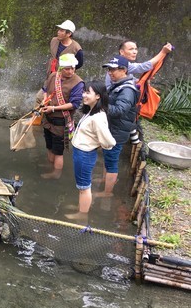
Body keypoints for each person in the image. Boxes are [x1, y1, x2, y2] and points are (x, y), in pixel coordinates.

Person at [65, 81, 116, 220]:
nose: (84, 95)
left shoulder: (98, 118)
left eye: (88, 92)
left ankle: (82, 215)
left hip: (85, 154)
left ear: (98, 96)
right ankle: (81, 207)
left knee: (84, 187)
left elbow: (109, 142)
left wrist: (96, 145)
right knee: (82, 185)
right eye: (84, 92)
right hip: (81, 153)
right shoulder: (91, 111)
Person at [104, 41, 172, 144]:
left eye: (136, 49)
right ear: (121, 52)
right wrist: (163, 52)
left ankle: (134, 140)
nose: (135, 52)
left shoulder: (124, 66)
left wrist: (142, 81)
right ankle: (133, 140)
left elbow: (130, 78)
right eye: (131, 49)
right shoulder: (122, 66)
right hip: (113, 101)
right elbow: (144, 66)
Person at [97, 55, 140, 197]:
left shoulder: (127, 90)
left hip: (117, 131)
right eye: (109, 69)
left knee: (112, 163)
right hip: (112, 129)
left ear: (124, 70)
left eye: (113, 70)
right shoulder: (118, 86)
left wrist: (100, 105)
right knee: (107, 157)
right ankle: (104, 180)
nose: (110, 72)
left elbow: (120, 111)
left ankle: (107, 192)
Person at [39, 53, 84, 179]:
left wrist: (53, 108)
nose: (71, 71)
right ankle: (50, 166)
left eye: (73, 68)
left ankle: (56, 174)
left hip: (61, 120)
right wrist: (45, 101)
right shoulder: (54, 76)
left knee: (58, 151)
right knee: (49, 145)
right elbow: (45, 90)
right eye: (67, 68)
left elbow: (74, 104)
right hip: (48, 118)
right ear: (60, 68)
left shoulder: (78, 83)